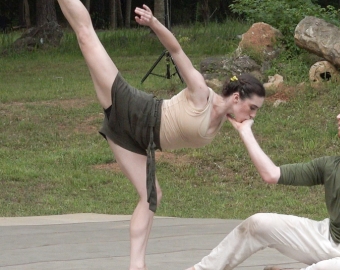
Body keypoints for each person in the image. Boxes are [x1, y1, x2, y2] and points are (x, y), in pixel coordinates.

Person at [56, 1, 265, 270]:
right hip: (136, 111)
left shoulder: (229, 122)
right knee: (86, 36)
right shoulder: (201, 92)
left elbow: (263, 164)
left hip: (139, 141)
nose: (252, 116)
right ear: (236, 97)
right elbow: (176, 50)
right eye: (252, 108)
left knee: (151, 195)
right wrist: (153, 22)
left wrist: (243, 127)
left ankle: (136, 266)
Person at [187, 93, 340, 270]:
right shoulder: (330, 165)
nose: (339, 115)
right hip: (327, 239)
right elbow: (271, 174)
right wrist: (244, 131)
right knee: (258, 223)